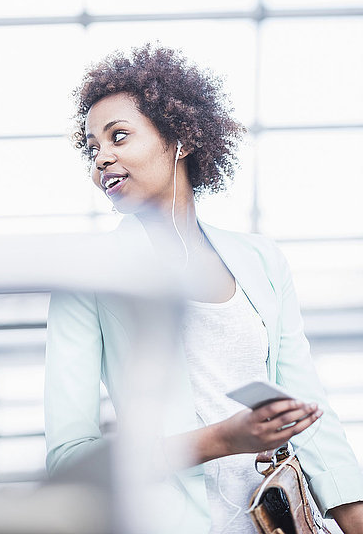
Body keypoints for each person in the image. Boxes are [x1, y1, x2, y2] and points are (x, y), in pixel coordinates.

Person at [44, 42, 363, 533]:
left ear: (181, 139)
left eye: (119, 136)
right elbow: (70, 459)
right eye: (92, 148)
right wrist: (222, 439)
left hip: (278, 522)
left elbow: (311, 416)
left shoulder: (262, 261)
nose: (101, 159)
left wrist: (353, 516)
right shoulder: (87, 279)